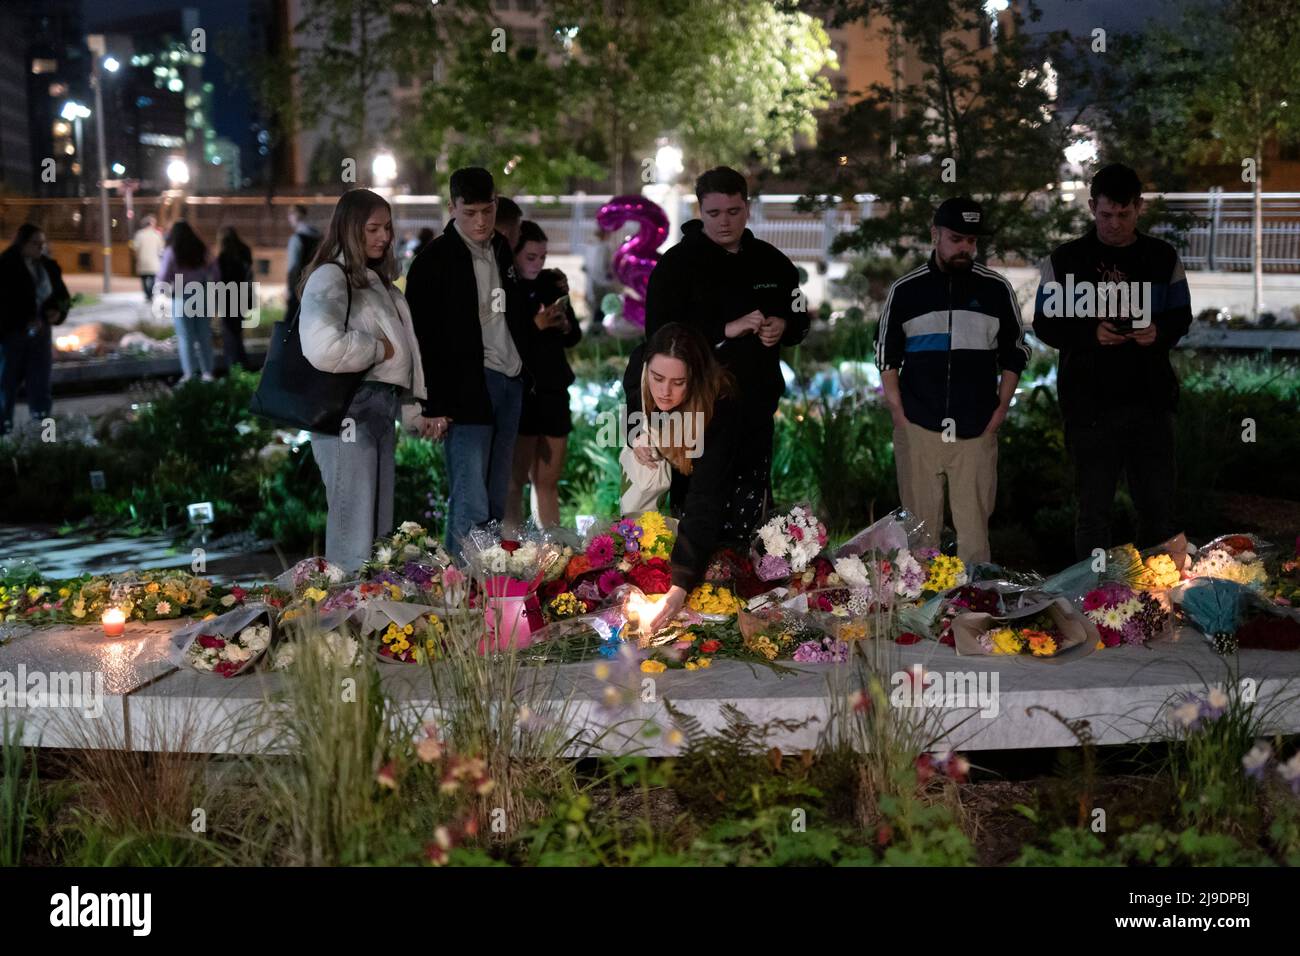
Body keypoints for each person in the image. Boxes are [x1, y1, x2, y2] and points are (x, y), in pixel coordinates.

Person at [1032, 163, 1192, 560]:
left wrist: (1159, 331)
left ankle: (1157, 600)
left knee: (1157, 510)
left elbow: (1182, 315)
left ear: (1140, 208)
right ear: (1091, 207)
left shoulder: (1161, 257)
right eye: (1106, 215)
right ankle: (1094, 604)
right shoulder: (1066, 260)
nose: (1115, 224)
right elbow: (1044, 325)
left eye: (1124, 214)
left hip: (1151, 403)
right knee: (1093, 512)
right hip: (1090, 407)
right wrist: (1090, 335)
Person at [644, 166, 809, 541]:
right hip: (696, 409)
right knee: (698, 505)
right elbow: (656, 338)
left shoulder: (772, 261)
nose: (724, 222)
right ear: (700, 210)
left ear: (747, 208)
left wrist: (784, 324)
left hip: (755, 404)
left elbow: (799, 315)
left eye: (733, 212)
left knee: (752, 507)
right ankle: (690, 580)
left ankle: (747, 582)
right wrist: (723, 330)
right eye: (714, 213)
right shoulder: (676, 265)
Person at [875, 198, 1029, 567]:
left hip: (976, 428)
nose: (965, 248)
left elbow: (1015, 353)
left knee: (974, 538)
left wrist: (1000, 410)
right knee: (919, 540)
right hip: (918, 426)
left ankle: (973, 616)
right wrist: (899, 415)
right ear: (935, 235)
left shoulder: (995, 289)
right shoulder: (906, 290)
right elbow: (885, 355)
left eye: (971, 241)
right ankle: (919, 617)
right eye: (956, 238)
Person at [299, 187, 436, 572]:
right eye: (373, 228)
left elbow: (408, 353)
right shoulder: (332, 276)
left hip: (376, 413)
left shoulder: (375, 281)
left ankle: (370, 618)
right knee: (352, 535)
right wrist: (377, 348)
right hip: (347, 413)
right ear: (349, 229)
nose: (384, 237)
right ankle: (342, 621)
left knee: (377, 533)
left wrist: (411, 407)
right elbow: (322, 346)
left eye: (388, 228)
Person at [405, 167, 535, 557]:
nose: (480, 221)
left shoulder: (499, 247)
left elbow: (511, 315)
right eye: (470, 212)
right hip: (467, 390)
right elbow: (423, 339)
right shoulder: (434, 261)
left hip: (508, 381)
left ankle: (484, 591)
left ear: (496, 205)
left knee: (496, 497)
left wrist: (525, 372)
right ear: (452, 208)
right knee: (471, 498)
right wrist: (433, 404)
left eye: (487, 211)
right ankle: (461, 594)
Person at [621, 323, 744, 632]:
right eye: (657, 378)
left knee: (725, 561)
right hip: (679, 460)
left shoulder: (720, 407)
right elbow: (635, 398)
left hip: (728, 483)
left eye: (678, 382)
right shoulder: (640, 363)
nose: (664, 391)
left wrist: (680, 585)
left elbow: (706, 499)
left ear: (696, 378)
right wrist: (636, 434)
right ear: (646, 366)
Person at [506, 220, 581, 529]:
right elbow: (506, 340)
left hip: (553, 390)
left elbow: (573, 335)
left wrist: (562, 324)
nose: (538, 264)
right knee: (516, 479)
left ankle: (552, 550)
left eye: (543, 257)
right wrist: (535, 325)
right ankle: (508, 547)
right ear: (515, 254)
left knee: (547, 480)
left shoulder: (551, 285)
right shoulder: (508, 288)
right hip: (523, 391)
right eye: (531, 257)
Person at [0, 224, 70, 433]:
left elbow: (64, 298)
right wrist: (23, 320)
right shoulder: (6, 266)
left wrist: (58, 312)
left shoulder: (47, 267)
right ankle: (4, 435)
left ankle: (45, 436)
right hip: (12, 335)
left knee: (40, 387)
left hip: (41, 335)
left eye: (43, 244)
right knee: (6, 386)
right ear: (22, 243)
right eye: (35, 243)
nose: (41, 248)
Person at [157, 219, 219, 384]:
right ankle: (208, 374)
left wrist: (165, 291)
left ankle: (190, 375)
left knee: (186, 338)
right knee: (204, 336)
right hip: (202, 294)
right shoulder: (201, 249)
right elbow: (216, 271)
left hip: (182, 296)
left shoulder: (172, 251)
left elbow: (163, 277)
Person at [216, 225, 253, 371]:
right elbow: (249, 275)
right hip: (242, 296)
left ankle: (234, 366)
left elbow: (219, 280)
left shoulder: (223, 257)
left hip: (227, 298)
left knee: (229, 334)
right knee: (237, 332)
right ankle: (243, 364)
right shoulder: (245, 251)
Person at [285, 203, 322, 319]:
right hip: (318, 287)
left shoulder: (297, 239)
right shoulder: (320, 237)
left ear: (295, 216)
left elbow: (293, 268)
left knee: (290, 326)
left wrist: (290, 289)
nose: (289, 219)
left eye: (290, 215)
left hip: (299, 288)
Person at [131, 215, 164, 303]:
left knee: (143, 278)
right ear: (151, 224)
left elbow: (135, 247)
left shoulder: (139, 234)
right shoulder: (157, 234)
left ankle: (147, 294)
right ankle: (151, 294)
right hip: (154, 261)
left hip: (142, 260)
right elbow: (161, 247)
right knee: (153, 278)